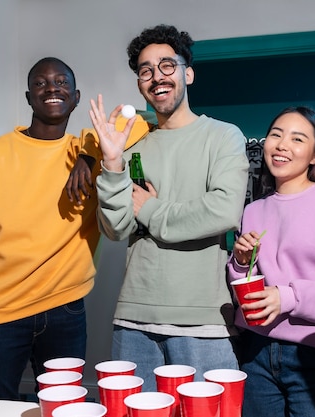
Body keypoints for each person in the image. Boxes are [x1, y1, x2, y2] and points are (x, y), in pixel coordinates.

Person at [76, 24, 249, 391]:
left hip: (203, 322)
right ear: (140, 83)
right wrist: (111, 163)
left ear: (188, 73)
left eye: (167, 66)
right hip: (133, 318)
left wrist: (152, 210)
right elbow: (116, 228)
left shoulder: (223, 136)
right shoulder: (132, 146)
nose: (157, 77)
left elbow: (223, 210)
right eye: (145, 70)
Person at [0, 57, 119, 411]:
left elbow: (139, 121)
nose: (52, 88)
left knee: (64, 409)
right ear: (28, 96)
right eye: (40, 83)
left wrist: (88, 153)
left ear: (76, 95)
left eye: (61, 82)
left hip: (64, 309)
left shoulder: (87, 152)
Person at [228, 106, 315, 416]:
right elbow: (243, 283)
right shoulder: (254, 210)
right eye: (276, 135)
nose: (281, 145)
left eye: (297, 139)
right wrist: (240, 261)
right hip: (256, 350)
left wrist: (287, 297)